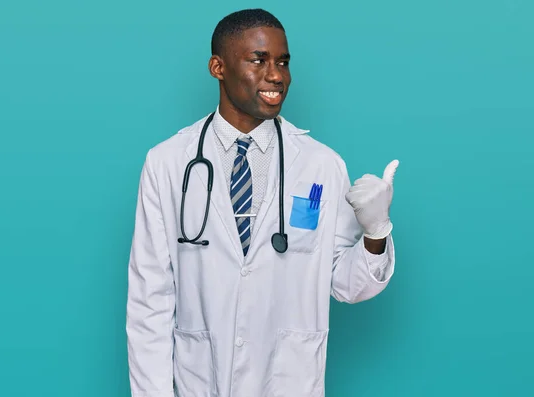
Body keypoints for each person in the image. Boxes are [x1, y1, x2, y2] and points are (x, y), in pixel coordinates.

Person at [126, 8, 398, 397]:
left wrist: (375, 232)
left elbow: (344, 284)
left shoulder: (321, 165)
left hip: (289, 380)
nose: (277, 76)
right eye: (259, 60)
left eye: (283, 62)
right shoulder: (168, 162)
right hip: (201, 380)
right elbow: (149, 301)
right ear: (218, 67)